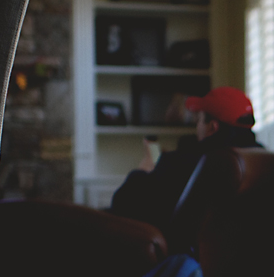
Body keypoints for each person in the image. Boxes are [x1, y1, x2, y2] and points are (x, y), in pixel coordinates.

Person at [108, 86, 262, 248]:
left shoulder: (184, 161)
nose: (196, 127)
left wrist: (143, 170)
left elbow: (122, 205)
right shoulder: (263, 163)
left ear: (212, 127)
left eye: (199, 120)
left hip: (189, 258)